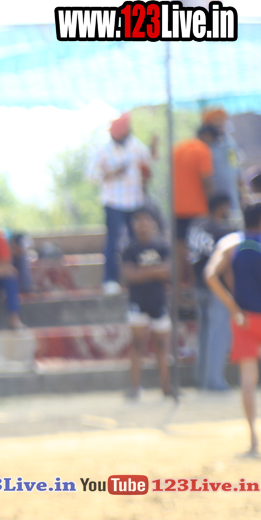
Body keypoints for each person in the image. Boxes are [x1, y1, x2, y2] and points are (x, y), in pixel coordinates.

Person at [206, 202, 261, 456]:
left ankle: (253, 439)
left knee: (248, 378)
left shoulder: (231, 244)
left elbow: (210, 274)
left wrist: (233, 308)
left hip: (244, 319)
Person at [87, 113, 153, 294]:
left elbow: (148, 160)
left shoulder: (135, 145)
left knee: (137, 241)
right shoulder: (103, 150)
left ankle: (139, 277)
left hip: (135, 200)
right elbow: (91, 175)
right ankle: (110, 280)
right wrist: (111, 173)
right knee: (113, 242)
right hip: (114, 202)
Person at [121, 208, 173, 400]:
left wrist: (142, 271)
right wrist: (155, 271)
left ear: (153, 224)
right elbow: (130, 275)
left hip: (158, 302)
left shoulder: (163, 246)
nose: (143, 225)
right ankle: (135, 387)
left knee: (163, 345)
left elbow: (168, 271)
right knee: (137, 345)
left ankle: (166, 387)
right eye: (139, 221)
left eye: (146, 220)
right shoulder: (129, 249)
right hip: (137, 303)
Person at [189, 194, 237, 392]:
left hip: (198, 286)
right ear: (221, 207)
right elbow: (226, 266)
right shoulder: (222, 232)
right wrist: (233, 292)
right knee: (218, 334)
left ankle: (202, 378)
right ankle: (214, 381)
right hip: (216, 288)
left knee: (204, 333)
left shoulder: (196, 227)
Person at [173, 124, 219, 276]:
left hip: (177, 206)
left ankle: (179, 284)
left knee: (179, 246)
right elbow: (206, 177)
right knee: (197, 248)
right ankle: (194, 283)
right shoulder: (203, 150)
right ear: (207, 136)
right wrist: (212, 201)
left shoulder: (178, 148)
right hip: (197, 208)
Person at [201, 109, 248, 222]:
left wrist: (244, 192)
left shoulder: (229, 143)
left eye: (221, 121)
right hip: (211, 198)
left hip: (230, 196)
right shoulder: (203, 145)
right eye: (215, 122)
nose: (219, 125)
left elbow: (235, 167)